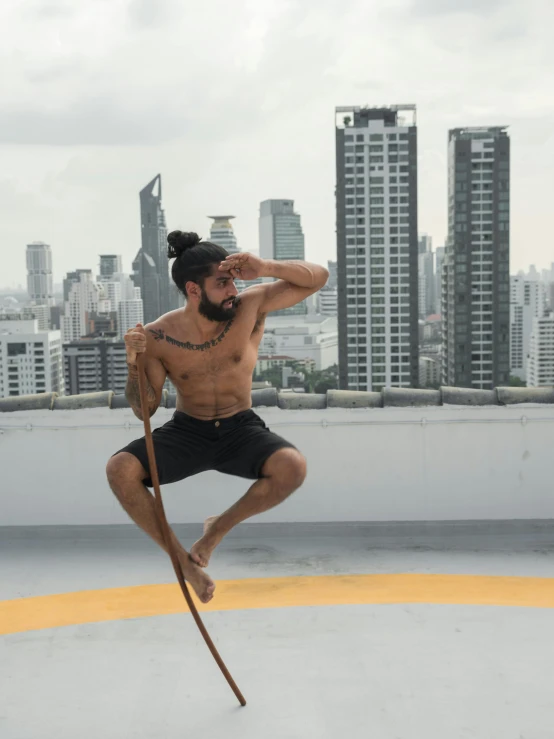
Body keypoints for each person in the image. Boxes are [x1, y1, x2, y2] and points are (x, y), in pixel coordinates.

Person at [106, 230, 329, 604]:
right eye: (222, 283)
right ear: (194, 290)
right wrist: (133, 364)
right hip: (187, 430)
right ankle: (185, 565)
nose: (232, 291)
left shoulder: (250, 306)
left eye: (232, 282)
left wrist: (265, 267)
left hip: (240, 426)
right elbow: (144, 408)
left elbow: (318, 278)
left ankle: (216, 530)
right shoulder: (158, 335)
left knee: (293, 466)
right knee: (119, 470)